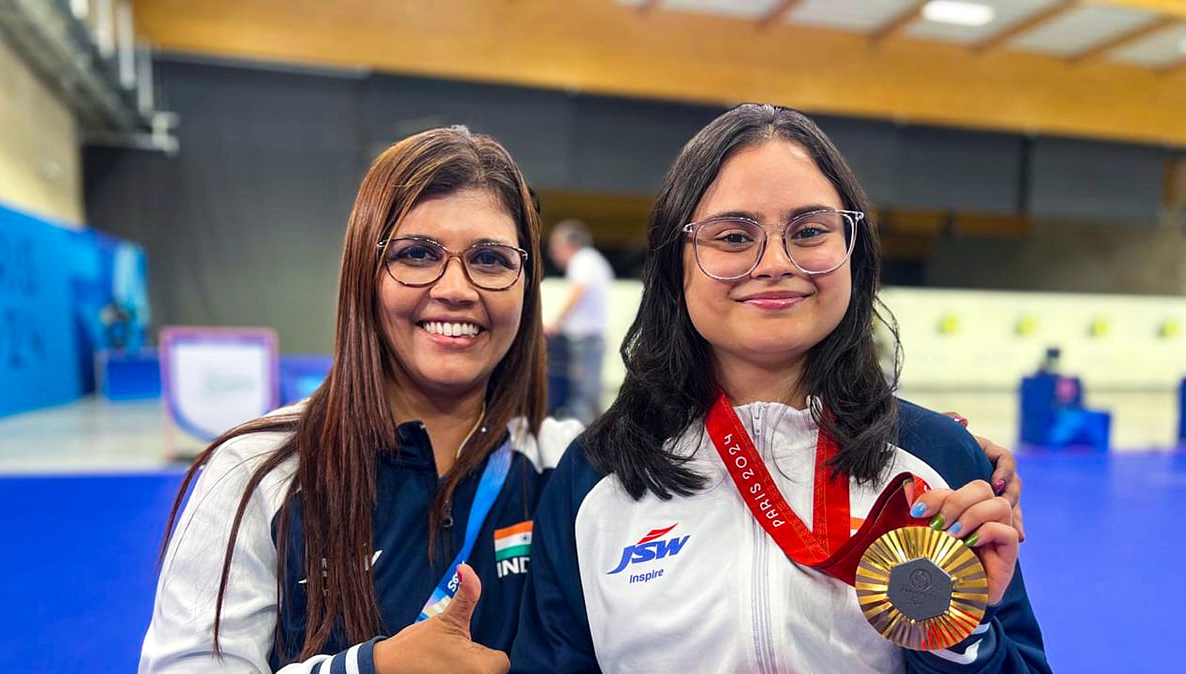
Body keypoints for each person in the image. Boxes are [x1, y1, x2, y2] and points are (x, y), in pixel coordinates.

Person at [510, 104, 1048, 673]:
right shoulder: (597, 471)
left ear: (853, 253)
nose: (774, 263)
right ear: (676, 263)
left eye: (810, 230)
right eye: (734, 236)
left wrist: (959, 637)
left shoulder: (940, 459)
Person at [140, 126, 582, 673]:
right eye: (418, 253)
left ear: (526, 285)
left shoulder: (570, 469)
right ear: (363, 275)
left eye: (491, 259)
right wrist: (368, 669)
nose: (456, 288)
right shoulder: (258, 470)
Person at [545, 219, 614, 423]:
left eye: (557, 247)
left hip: (585, 342)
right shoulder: (595, 260)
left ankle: (579, 448)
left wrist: (557, 322)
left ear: (570, 245)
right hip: (592, 341)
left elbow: (578, 291)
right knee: (591, 395)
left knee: (581, 396)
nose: (554, 254)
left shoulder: (582, 261)